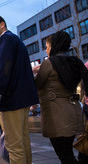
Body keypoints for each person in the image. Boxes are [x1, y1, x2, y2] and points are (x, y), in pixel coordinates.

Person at [0, 15, 39, 164]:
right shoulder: (15, 40)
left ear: (2, 24)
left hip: (12, 101)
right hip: (21, 100)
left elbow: (2, 70)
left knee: (14, 145)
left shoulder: (6, 40)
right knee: (22, 141)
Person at [33, 31, 88, 164]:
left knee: (65, 155)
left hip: (56, 115)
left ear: (53, 46)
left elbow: (37, 85)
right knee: (68, 152)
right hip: (73, 112)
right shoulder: (76, 61)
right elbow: (81, 88)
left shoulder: (49, 63)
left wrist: (35, 72)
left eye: (46, 47)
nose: (46, 50)